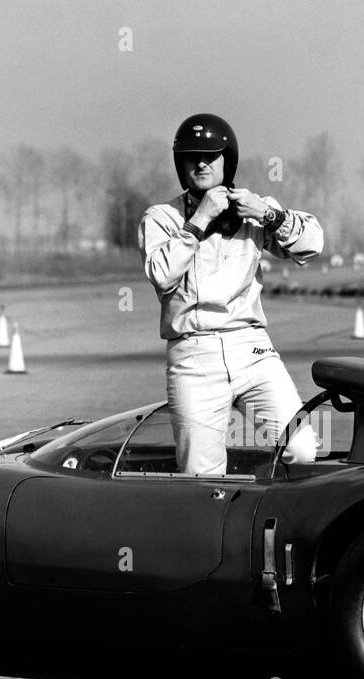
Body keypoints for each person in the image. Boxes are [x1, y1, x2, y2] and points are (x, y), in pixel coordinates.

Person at [138, 113, 323, 476]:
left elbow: (313, 244)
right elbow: (161, 275)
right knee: (199, 473)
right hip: (193, 354)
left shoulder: (254, 208)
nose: (201, 162)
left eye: (210, 155)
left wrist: (268, 214)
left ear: (229, 159)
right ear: (180, 164)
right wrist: (199, 221)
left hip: (251, 347)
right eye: (192, 156)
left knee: (300, 448)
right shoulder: (161, 218)